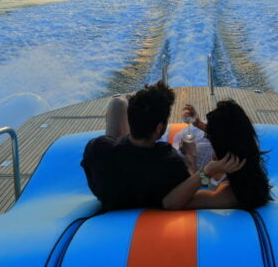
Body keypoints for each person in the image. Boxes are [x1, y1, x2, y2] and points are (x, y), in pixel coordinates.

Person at [81, 82, 245, 211]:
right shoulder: (170, 163)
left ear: (131, 118)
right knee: (119, 107)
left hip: (115, 191)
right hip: (144, 183)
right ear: (160, 128)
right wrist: (190, 157)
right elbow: (189, 185)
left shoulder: (97, 149)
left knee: (117, 104)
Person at [164, 99, 273, 210]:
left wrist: (192, 159)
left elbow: (171, 202)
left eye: (210, 137)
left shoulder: (231, 194)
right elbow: (231, 133)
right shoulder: (241, 155)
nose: (208, 138)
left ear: (222, 147)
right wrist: (199, 124)